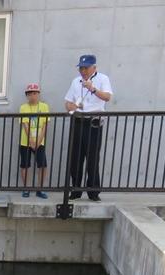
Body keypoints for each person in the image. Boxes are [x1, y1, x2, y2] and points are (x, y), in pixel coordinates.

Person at [64, 54, 113, 201]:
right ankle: (76, 190)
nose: (83, 71)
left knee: (92, 158)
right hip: (78, 120)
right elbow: (67, 102)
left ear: (94, 67)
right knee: (76, 158)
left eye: (86, 68)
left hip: (94, 123)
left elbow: (107, 97)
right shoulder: (75, 81)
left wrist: (93, 89)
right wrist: (71, 106)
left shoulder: (103, 79)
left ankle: (93, 192)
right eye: (81, 68)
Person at [19, 83, 50, 198]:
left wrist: (39, 140)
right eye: (30, 93)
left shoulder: (44, 107)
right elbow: (25, 124)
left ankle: (40, 189)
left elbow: (45, 125)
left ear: (39, 94)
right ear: (27, 95)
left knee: (42, 165)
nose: (33, 96)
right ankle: (26, 188)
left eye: (35, 93)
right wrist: (31, 141)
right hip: (25, 141)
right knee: (25, 165)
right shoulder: (23, 107)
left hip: (40, 142)